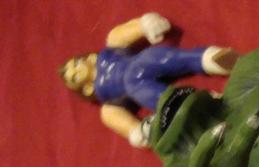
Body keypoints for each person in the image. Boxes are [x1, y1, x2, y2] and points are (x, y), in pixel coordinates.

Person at [58, 12, 236, 147]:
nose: (77, 69)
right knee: (157, 96)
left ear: (87, 58)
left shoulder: (109, 51)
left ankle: (208, 59)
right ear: (87, 89)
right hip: (138, 88)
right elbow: (117, 119)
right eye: (74, 76)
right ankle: (197, 104)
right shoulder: (107, 100)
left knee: (170, 58)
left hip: (144, 60)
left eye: (75, 64)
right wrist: (137, 132)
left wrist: (146, 25)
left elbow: (122, 34)